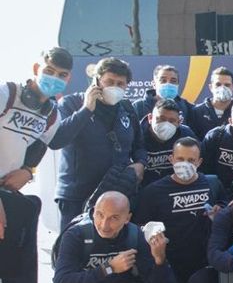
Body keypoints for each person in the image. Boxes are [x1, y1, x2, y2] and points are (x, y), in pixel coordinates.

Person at [0, 47, 72, 283]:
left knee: (19, 275)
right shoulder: (6, 94)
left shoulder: (52, 114)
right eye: (49, 70)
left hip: (11, 197)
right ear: (35, 68)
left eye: (61, 75)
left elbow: (39, 147)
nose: (54, 78)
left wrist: (28, 172)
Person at [51, 192, 177, 283]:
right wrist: (108, 268)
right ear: (93, 212)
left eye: (114, 218)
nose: (104, 225)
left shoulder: (134, 235)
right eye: (100, 215)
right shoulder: (76, 234)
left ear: (127, 219)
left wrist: (159, 259)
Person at [134, 137, 227, 283]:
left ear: (199, 162)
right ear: (171, 159)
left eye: (191, 160)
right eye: (180, 159)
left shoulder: (212, 183)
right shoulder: (153, 192)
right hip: (168, 261)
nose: (185, 164)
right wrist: (152, 235)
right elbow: (139, 226)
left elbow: (224, 207)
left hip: (200, 261)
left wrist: (219, 213)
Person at [50, 57, 145, 230]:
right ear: (96, 81)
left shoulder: (127, 109)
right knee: (74, 244)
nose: (115, 87)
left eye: (120, 84)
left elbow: (139, 145)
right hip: (77, 196)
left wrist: (140, 164)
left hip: (116, 193)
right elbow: (57, 140)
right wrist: (86, 109)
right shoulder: (71, 103)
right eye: (109, 82)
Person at [140, 99, 197, 188]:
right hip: (143, 189)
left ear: (179, 122)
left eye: (172, 121)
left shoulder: (186, 135)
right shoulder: (136, 135)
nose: (166, 124)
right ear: (150, 118)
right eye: (161, 119)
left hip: (176, 187)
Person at [132, 65, 197, 132]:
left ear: (178, 85)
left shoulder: (186, 107)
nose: (168, 84)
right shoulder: (138, 106)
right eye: (163, 80)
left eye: (173, 81)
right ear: (154, 84)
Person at [191, 67, 233, 139]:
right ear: (211, 87)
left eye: (227, 85)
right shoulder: (197, 111)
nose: (222, 88)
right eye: (218, 84)